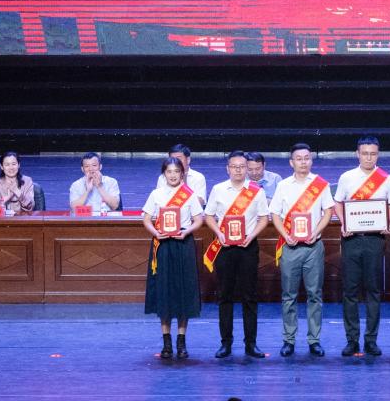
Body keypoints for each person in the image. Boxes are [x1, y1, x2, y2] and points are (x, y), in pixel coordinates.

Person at [269, 142, 335, 357]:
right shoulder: (283, 185)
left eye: (307, 158)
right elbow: (275, 214)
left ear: (311, 160)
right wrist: (285, 235)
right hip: (290, 247)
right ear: (291, 162)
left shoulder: (320, 184)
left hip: (313, 247)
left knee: (315, 295)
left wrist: (316, 231)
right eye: (299, 159)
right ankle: (288, 339)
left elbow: (328, 211)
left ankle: (314, 340)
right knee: (289, 295)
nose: (303, 162)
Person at [203, 150, 270, 359]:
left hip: (248, 247)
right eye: (234, 166)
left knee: (249, 296)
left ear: (247, 169)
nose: (238, 170)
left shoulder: (256, 191)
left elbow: (264, 218)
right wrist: (219, 233)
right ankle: (226, 343)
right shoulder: (218, 189)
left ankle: (251, 344)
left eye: (242, 167)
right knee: (225, 296)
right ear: (228, 168)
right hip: (224, 248)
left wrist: (251, 236)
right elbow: (209, 216)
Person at [333, 136, 390, 357]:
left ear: (378, 154)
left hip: (375, 240)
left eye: (373, 154)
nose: (369, 158)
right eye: (365, 153)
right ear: (357, 154)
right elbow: (338, 202)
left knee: (373, 291)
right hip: (352, 239)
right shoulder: (347, 177)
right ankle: (352, 340)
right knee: (350, 291)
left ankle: (371, 340)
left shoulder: (386, 179)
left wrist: (386, 221)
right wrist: (344, 223)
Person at [142, 156, 205, 359]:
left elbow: (198, 220)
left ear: (182, 174)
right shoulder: (156, 194)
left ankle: (181, 340)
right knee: (165, 291)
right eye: (169, 172)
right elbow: (146, 219)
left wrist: (186, 232)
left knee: (183, 291)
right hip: (163, 245)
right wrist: (156, 232)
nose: (173, 175)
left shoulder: (189, 195)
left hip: (183, 244)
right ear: (164, 174)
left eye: (176, 172)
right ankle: (166, 342)